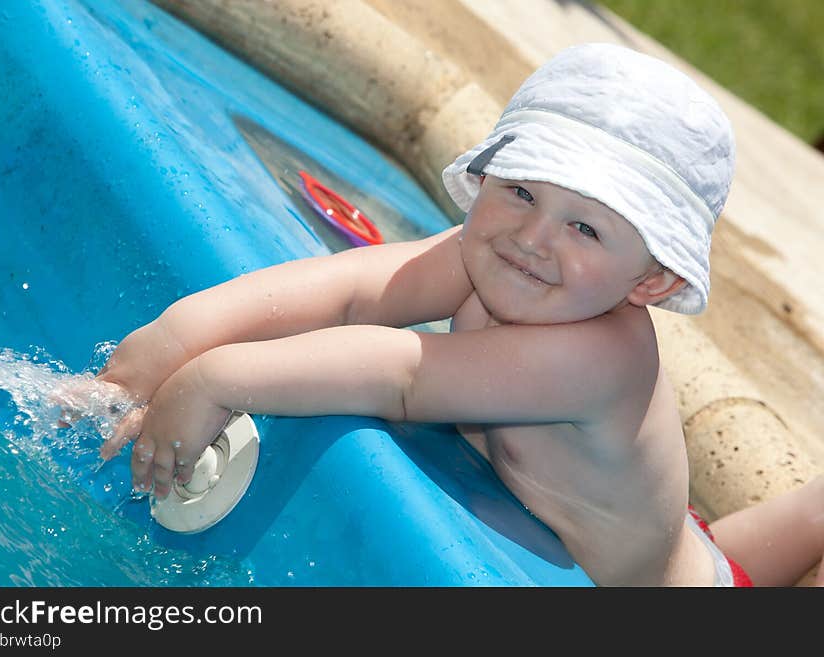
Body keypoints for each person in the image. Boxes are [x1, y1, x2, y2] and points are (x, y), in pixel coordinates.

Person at [59, 43, 823, 586]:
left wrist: (216, 378)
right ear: (487, 174)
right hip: (687, 545)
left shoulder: (601, 354)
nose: (532, 238)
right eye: (522, 189)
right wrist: (153, 355)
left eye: (585, 227)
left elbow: (400, 376)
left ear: (652, 280)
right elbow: (346, 289)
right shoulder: (490, 251)